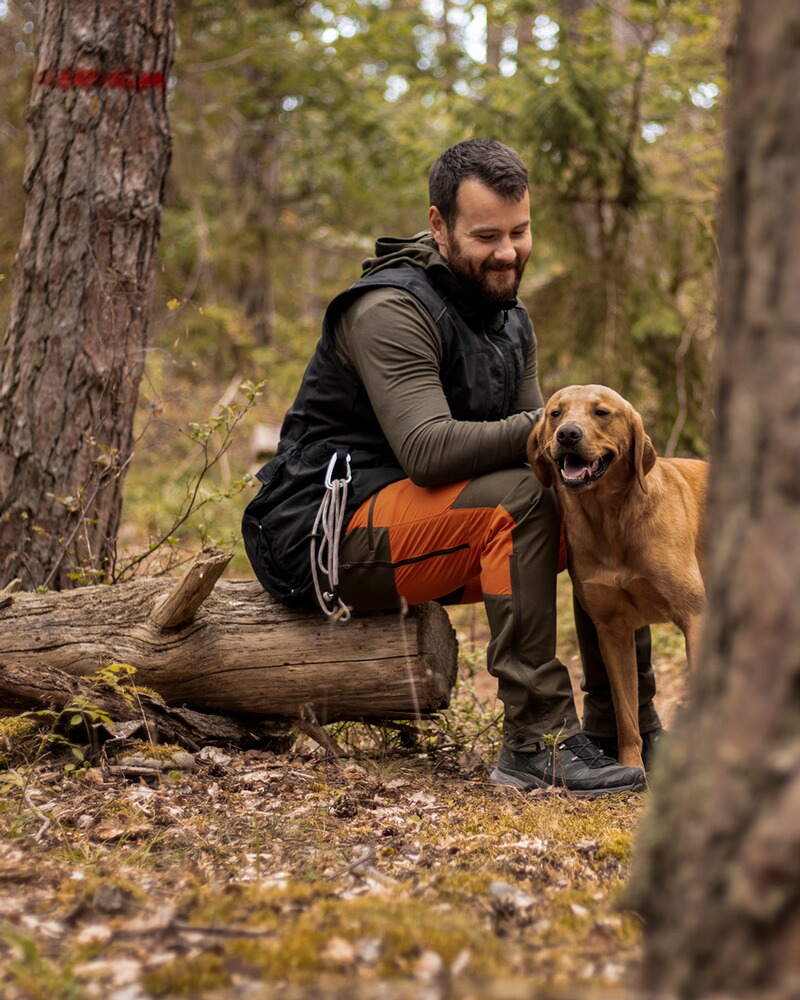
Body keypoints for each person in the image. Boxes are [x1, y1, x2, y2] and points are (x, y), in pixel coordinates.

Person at [243, 138, 662, 794]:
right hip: (328, 533)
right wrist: (561, 423)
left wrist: (578, 446)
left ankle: (625, 725)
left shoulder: (508, 312)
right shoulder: (388, 310)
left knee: (587, 489)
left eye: (520, 232)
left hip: (417, 517)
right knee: (520, 501)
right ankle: (537, 738)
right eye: (486, 235)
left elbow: (543, 459)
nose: (507, 252)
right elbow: (430, 451)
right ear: (438, 226)